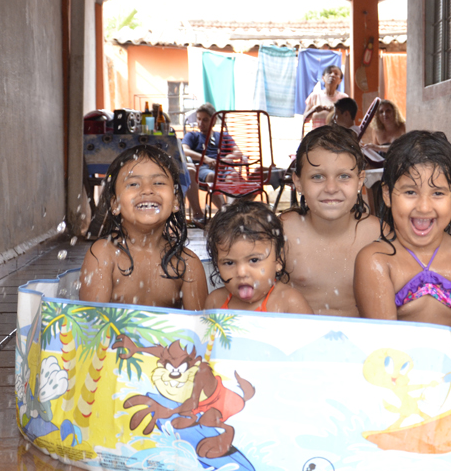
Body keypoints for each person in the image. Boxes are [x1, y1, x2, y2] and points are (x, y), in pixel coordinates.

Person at [354, 131, 451, 330]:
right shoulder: (377, 260)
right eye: (410, 192)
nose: (423, 207)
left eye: (437, 193)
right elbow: (385, 348)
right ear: (387, 194)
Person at [79, 145, 207, 310]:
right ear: (115, 204)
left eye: (159, 182)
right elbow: (91, 323)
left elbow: (200, 329)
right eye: (133, 184)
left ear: (176, 201)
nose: (147, 190)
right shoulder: (103, 255)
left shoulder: (188, 264)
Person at [281, 125, 381, 317]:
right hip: (298, 341)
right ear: (298, 182)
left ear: (360, 180)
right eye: (317, 177)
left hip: (358, 343)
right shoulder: (284, 231)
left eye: (344, 176)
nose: (331, 187)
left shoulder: (377, 234)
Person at [204, 200, 313, 314]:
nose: (241, 273)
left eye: (254, 260)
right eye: (229, 263)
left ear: (278, 260)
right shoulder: (215, 302)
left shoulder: (288, 302)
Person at [182, 103, 224, 218]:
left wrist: (225, 161)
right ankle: (224, 213)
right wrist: (205, 158)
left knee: (235, 177)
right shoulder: (192, 136)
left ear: (214, 120)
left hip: (222, 169)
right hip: (202, 169)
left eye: (205, 120)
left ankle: (229, 212)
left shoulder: (221, 136)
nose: (200, 123)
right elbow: (184, 150)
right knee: (211, 175)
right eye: (199, 119)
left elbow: (237, 152)